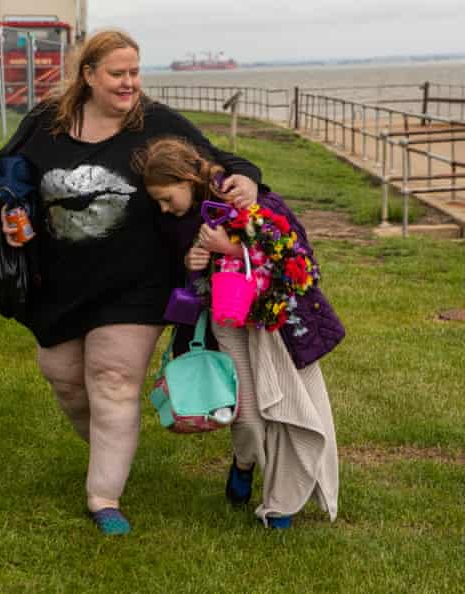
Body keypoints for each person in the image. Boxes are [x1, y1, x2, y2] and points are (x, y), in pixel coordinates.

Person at [0, 30, 263, 536]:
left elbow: (214, 164)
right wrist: (12, 209)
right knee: (66, 378)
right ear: (89, 75)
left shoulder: (155, 122)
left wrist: (246, 177)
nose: (128, 83)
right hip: (59, 282)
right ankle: (108, 451)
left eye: (134, 72)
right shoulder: (44, 124)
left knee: (113, 380)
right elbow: (9, 172)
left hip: (136, 283)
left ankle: (104, 498)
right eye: (117, 74)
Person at [134, 137, 342, 529]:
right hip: (226, 325)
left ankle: (281, 505)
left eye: (165, 198)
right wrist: (192, 263)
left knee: (286, 410)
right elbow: (190, 283)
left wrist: (230, 249)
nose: (164, 208)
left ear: (186, 178)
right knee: (246, 418)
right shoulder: (181, 219)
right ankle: (244, 463)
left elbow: (297, 258)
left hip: (272, 325)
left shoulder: (244, 195)